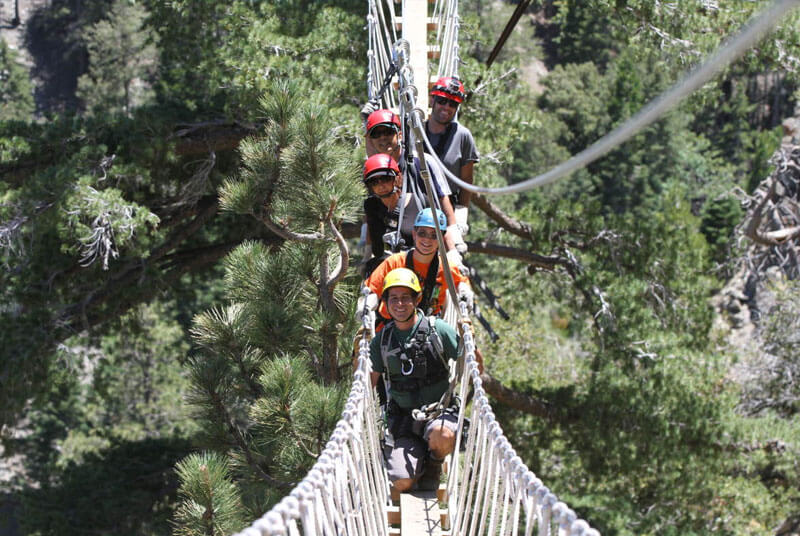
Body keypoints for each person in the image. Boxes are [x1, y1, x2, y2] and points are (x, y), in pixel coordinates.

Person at [370, 267, 460, 491]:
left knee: (441, 435)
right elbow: (367, 383)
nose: (399, 304)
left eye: (405, 297)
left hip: (439, 413)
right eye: (393, 298)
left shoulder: (438, 330)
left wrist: (469, 338)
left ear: (417, 299)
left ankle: (434, 464)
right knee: (401, 482)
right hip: (405, 421)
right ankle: (418, 461)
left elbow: (471, 364)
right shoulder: (381, 341)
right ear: (385, 303)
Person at [362, 110, 465, 267]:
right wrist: (368, 253)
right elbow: (371, 218)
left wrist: (452, 248)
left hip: (424, 241)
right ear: (370, 140)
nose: (383, 138)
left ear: (399, 134)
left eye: (388, 132)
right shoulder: (372, 172)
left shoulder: (422, 163)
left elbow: (443, 205)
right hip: (390, 249)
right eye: (376, 134)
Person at [360, 207, 473, 326]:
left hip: (428, 327)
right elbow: (372, 291)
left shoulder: (446, 268)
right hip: (391, 327)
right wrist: (366, 308)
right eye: (422, 233)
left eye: (434, 235)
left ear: (442, 238)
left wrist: (465, 292)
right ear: (414, 234)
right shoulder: (394, 263)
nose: (427, 240)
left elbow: (461, 283)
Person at [425, 77, 479, 210]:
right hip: (417, 203)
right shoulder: (416, 131)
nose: (447, 107)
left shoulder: (462, 136)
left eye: (453, 104)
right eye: (442, 101)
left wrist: (461, 211)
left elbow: (466, 180)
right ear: (432, 100)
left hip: (447, 208)